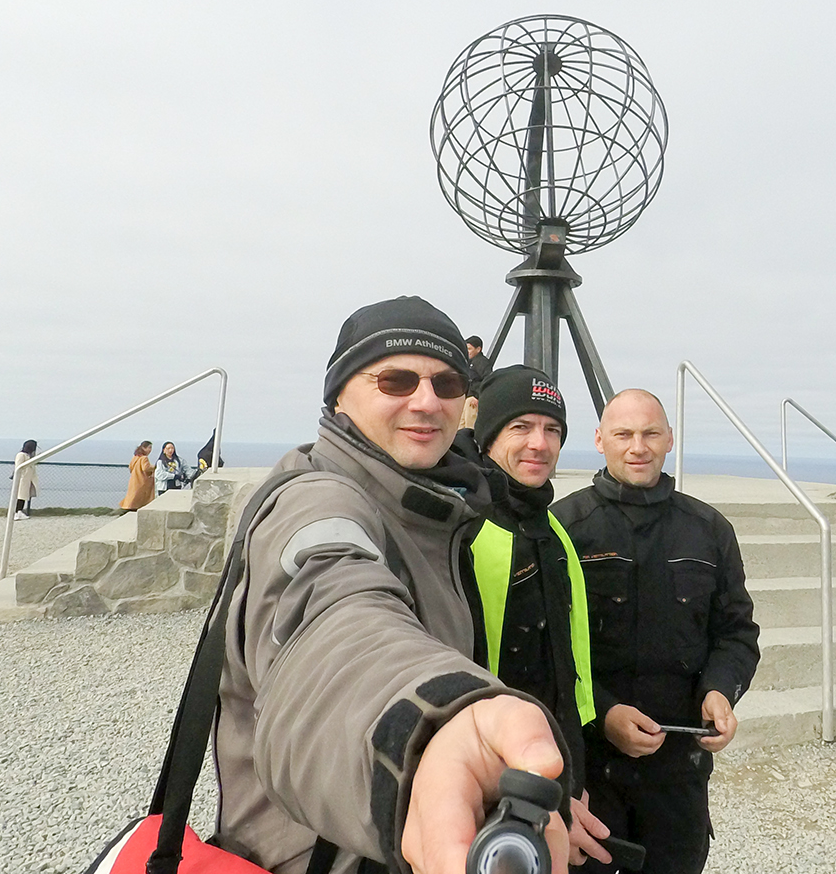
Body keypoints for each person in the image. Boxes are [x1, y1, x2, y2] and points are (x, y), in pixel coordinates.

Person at [209, 296, 573, 874]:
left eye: (447, 382)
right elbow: (333, 620)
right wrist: (423, 733)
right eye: (396, 380)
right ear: (337, 398)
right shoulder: (317, 499)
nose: (426, 400)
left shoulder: (433, 511)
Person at [552, 389, 759, 874]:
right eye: (623, 434)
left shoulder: (710, 530)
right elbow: (550, 652)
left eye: (650, 434)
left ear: (670, 440)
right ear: (600, 441)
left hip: (679, 773)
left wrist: (720, 691)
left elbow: (737, 633)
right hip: (591, 769)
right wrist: (603, 714)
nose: (637, 447)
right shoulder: (564, 528)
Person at [457, 365, 611, 867]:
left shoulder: (551, 529)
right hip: (489, 776)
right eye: (520, 427)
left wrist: (575, 773)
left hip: (557, 762)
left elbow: (568, 669)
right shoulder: (466, 532)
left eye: (552, 430)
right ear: (487, 437)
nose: (539, 444)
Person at [121, 441, 154, 511]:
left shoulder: (136, 457)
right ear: (144, 448)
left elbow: (130, 467)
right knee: (140, 498)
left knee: (132, 497)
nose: (150, 450)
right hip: (141, 480)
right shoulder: (144, 458)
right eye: (149, 447)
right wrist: (154, 467)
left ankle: (128, 508)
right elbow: (146, 468)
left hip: (134, 480)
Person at [11, 439, 40, 520]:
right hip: (22, 478)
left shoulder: (29, 455)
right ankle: (16, 512)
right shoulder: (21, 455)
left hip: (27, 478)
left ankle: (19, 511)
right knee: (20, 495)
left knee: (24, 496)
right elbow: (19, 466)